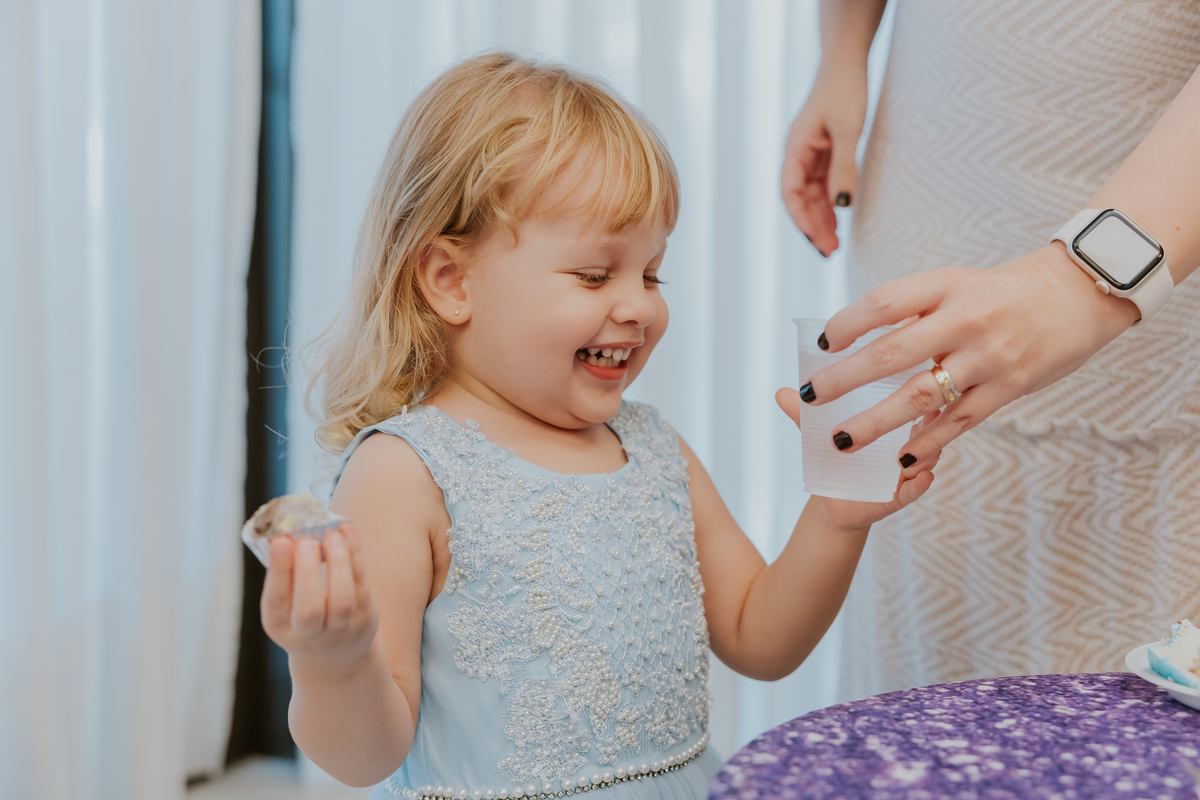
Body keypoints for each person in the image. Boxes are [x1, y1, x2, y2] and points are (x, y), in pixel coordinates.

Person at [257, 53, 940, 796]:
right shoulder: (402, 473)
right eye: (593, 275)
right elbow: (365, 759)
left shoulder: (653, 448)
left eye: (651, 274)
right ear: (451, 280)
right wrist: (335, 661)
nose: (641, 305)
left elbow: (761, 636)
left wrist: (835, 516)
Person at [781, 0, 1200, 699]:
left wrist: (1078, 283)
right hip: (927, 176)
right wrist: (843, 51)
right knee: (920, 698)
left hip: (1162, 223)